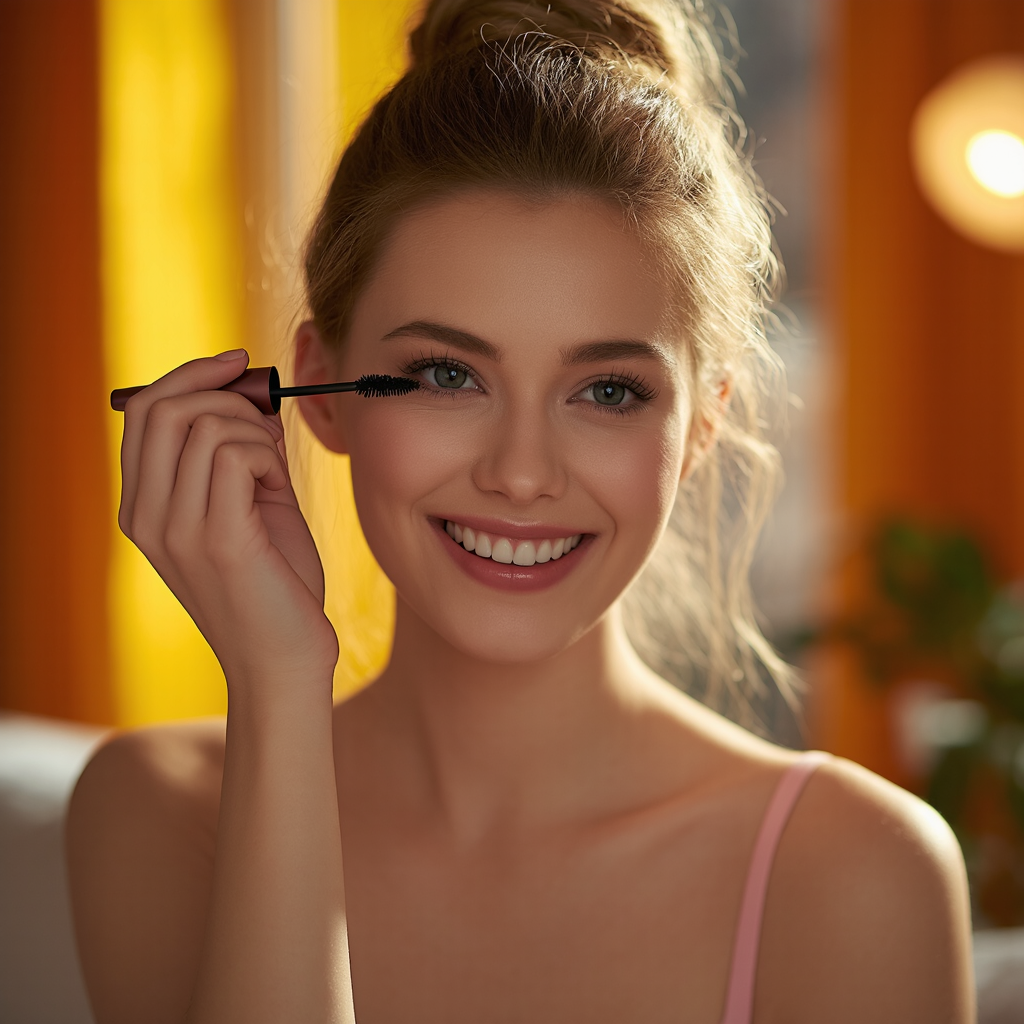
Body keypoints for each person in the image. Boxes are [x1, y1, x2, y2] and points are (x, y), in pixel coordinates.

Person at [66, 1, 976, 1022]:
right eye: (448, 374)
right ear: (316, 381)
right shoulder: (156, 810)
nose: (522, 472)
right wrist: (278, 689)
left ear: (704, 421)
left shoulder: (853, 871)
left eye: (608, 391)